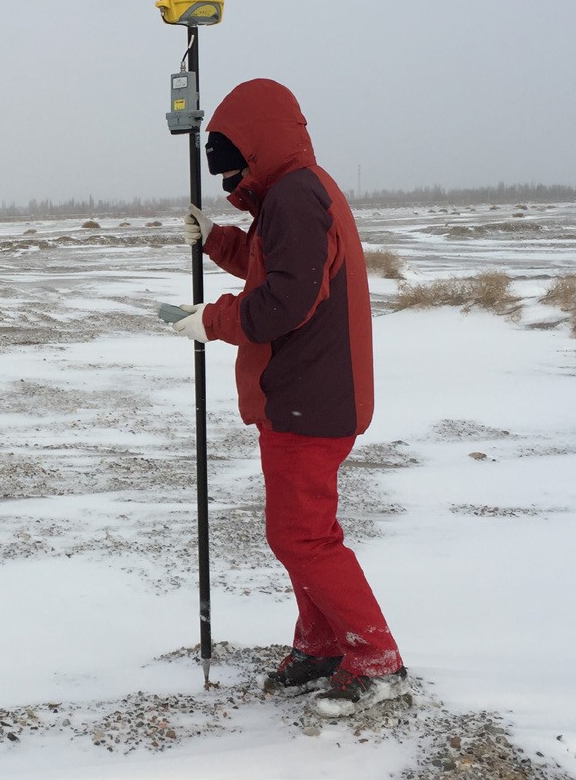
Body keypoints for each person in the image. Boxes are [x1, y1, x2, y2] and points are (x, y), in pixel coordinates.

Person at [172, 77, 408, 718]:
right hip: (307, 397)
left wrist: (213, 320)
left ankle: (374, 655)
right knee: (302, 533)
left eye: (231, 159)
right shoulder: (293, 194)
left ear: (257, 145)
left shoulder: (298, 197)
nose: (228, 176)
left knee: (302, 538)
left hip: (311, 400)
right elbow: (273, 263)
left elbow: (284, 300)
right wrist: (216, 240)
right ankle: (323, 643)